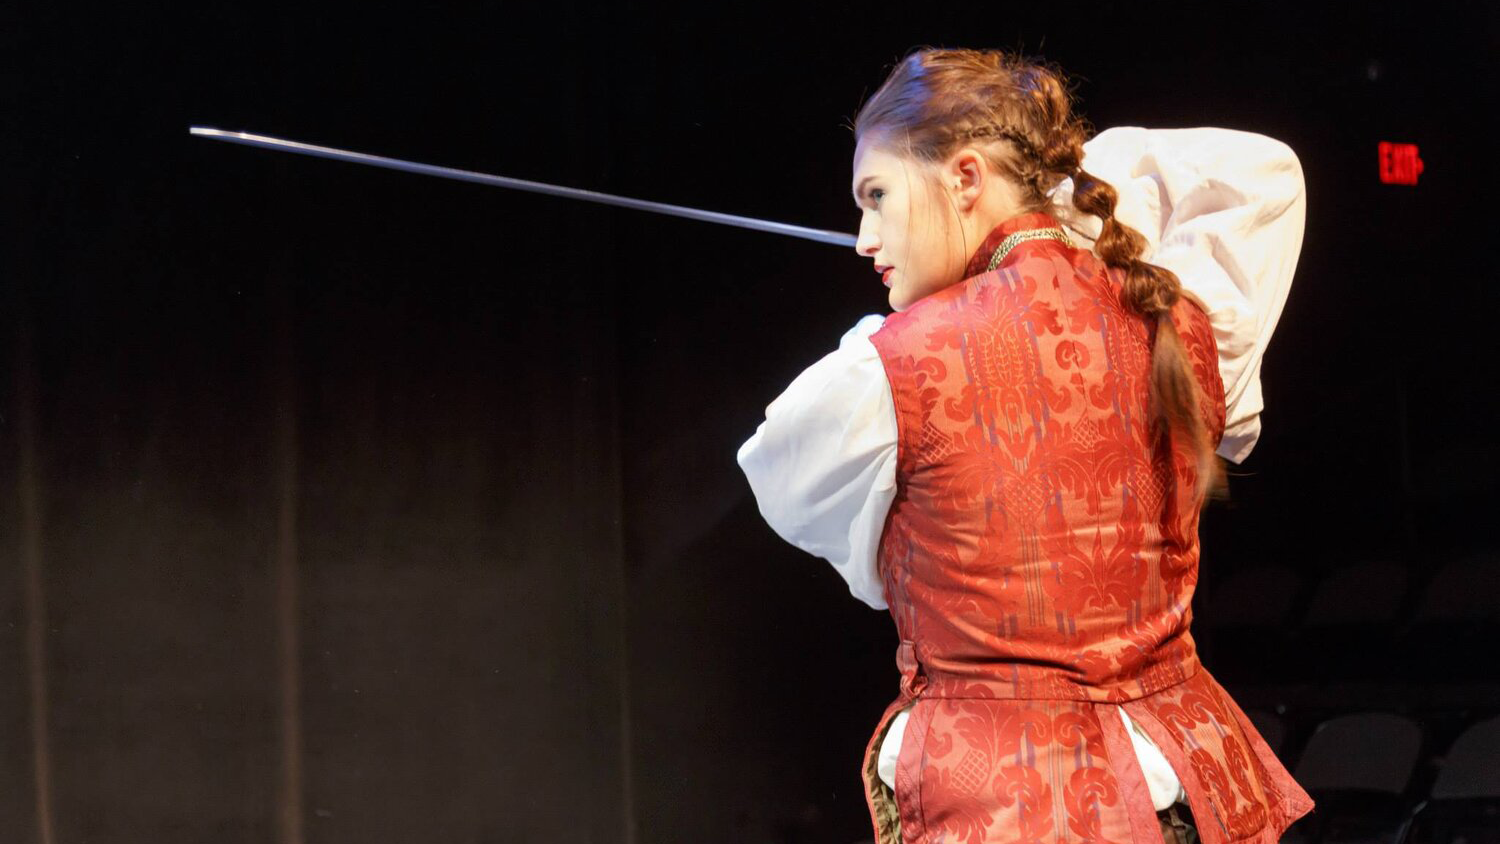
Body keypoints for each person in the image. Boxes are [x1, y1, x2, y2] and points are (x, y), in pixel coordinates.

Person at [737, 48, 1312, 844]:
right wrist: (1066, 212)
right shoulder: (1179, 319)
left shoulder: (890, 369)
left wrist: (1046, 218)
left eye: (876, 196)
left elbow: (798, 497)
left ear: (965, 177)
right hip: (1189, 790)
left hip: (1008, 811)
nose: (864, 239)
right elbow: (1263, 174)